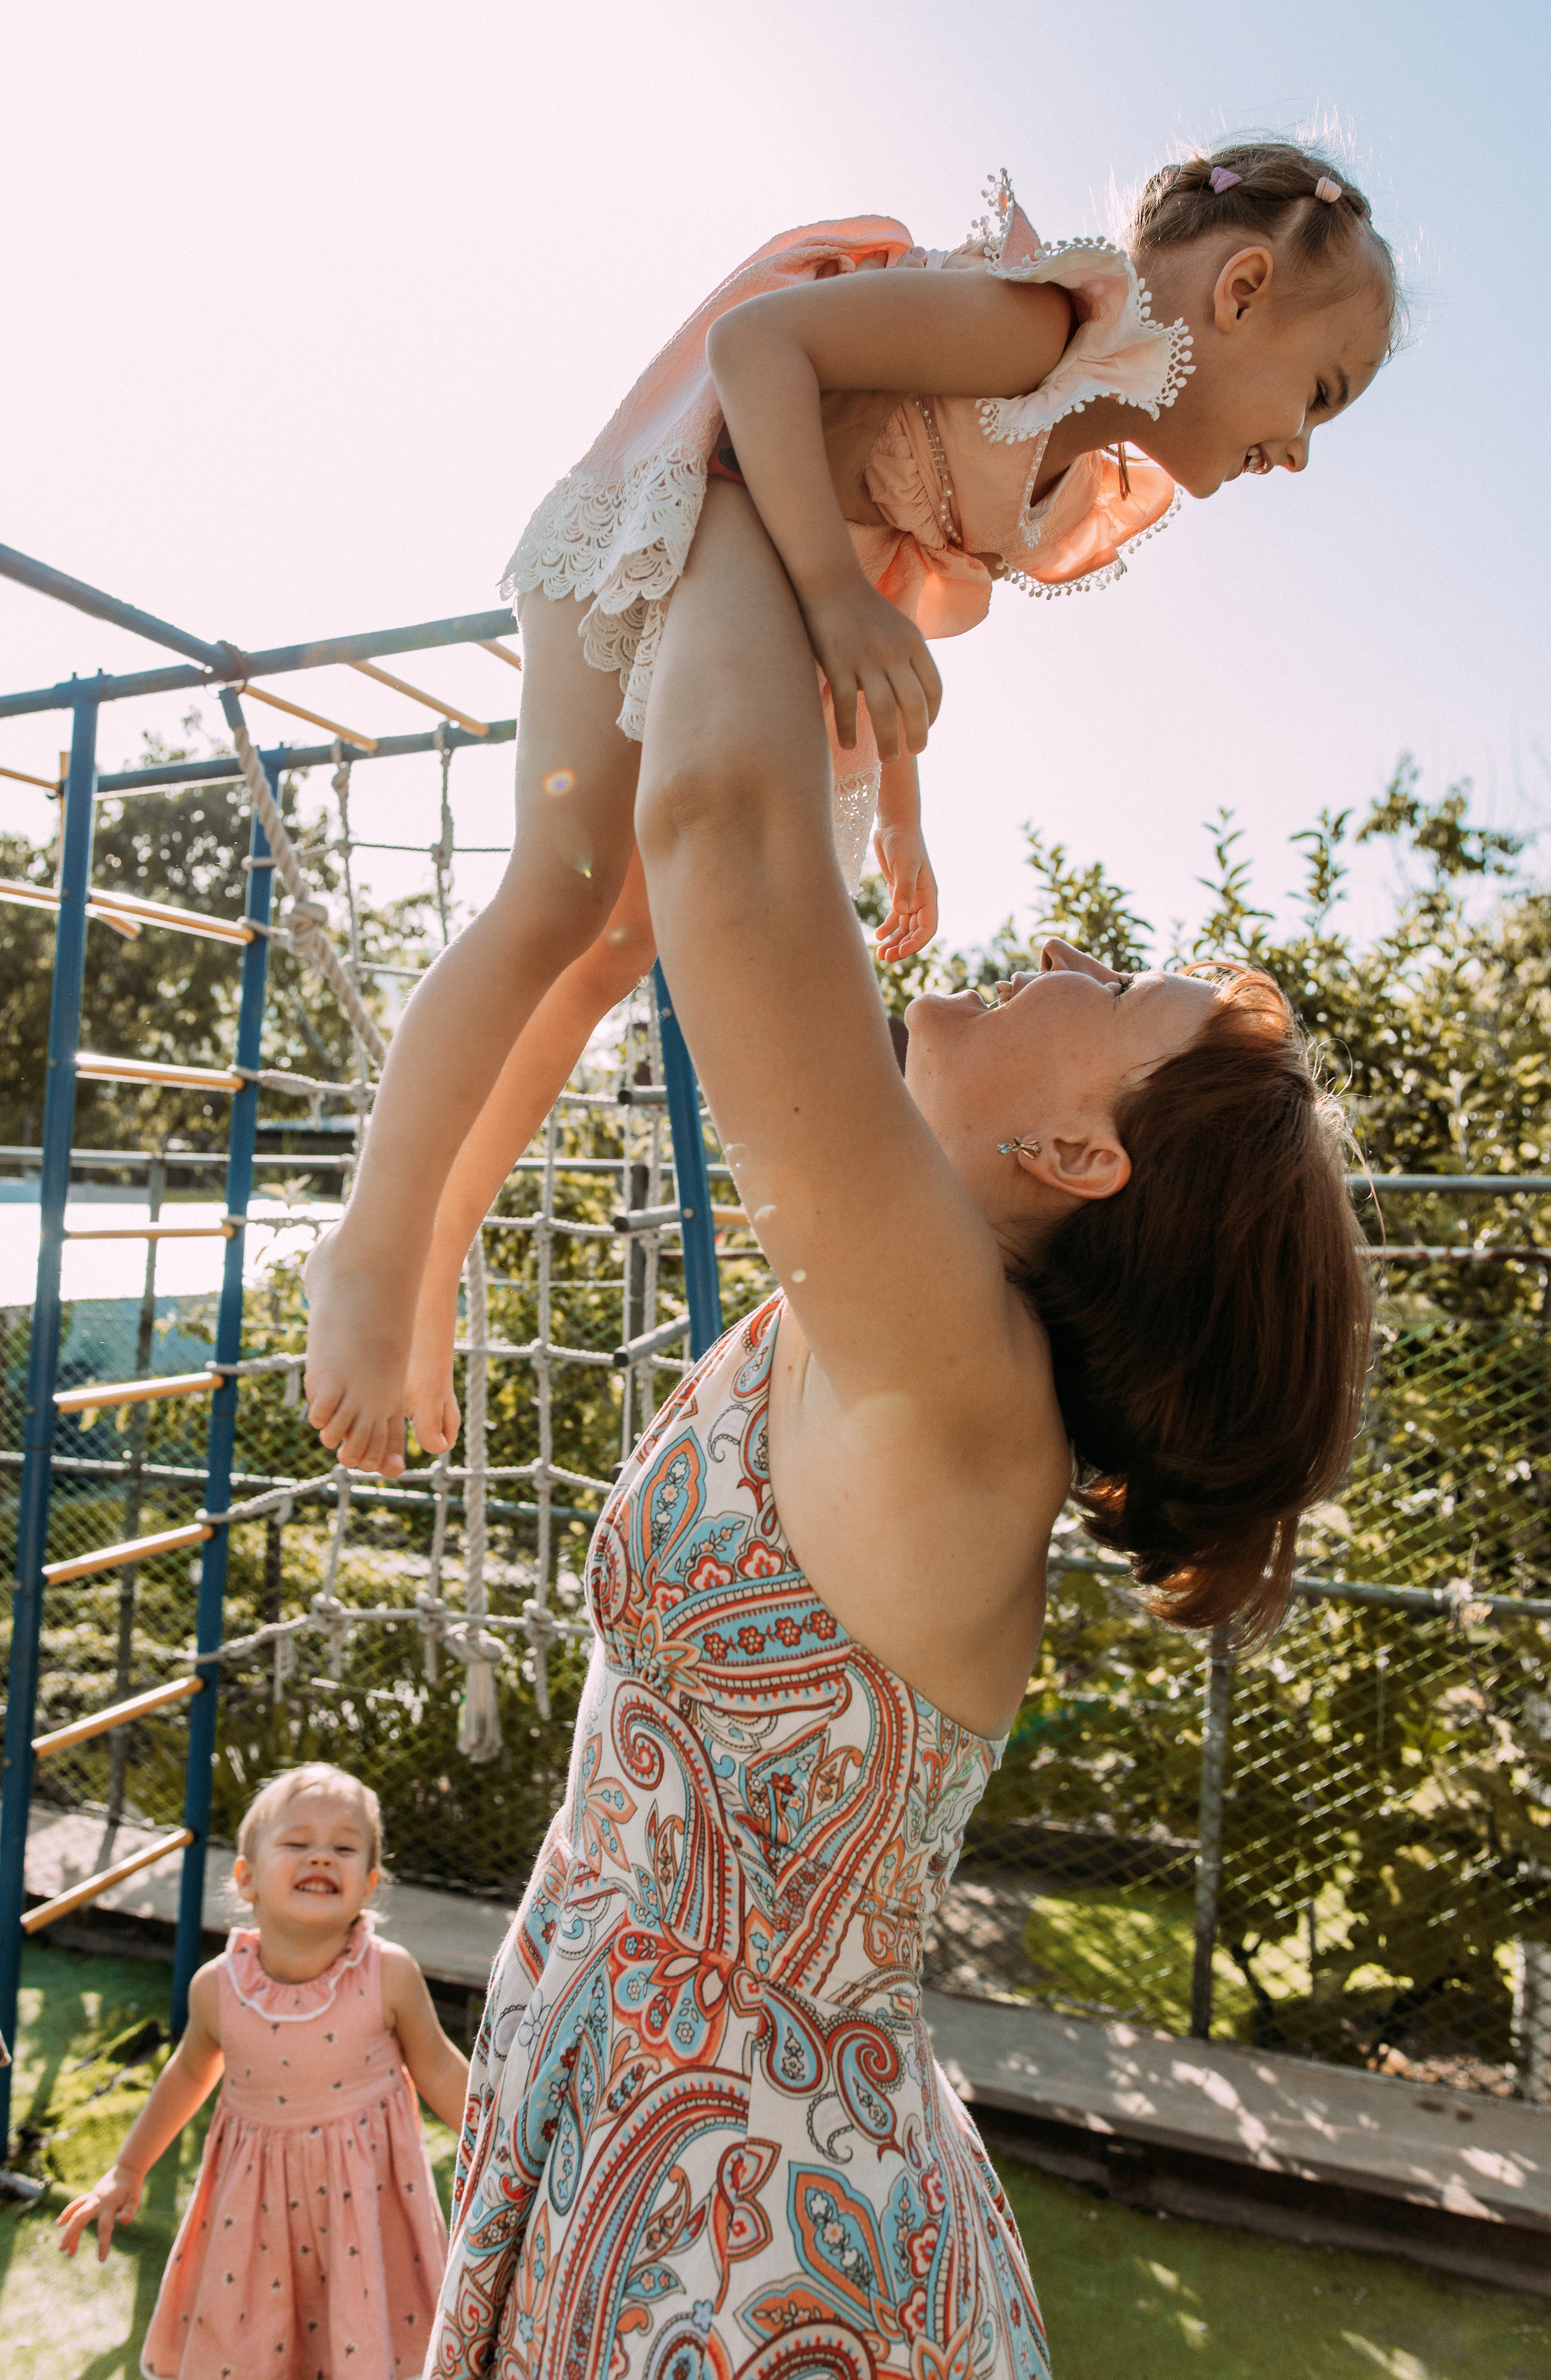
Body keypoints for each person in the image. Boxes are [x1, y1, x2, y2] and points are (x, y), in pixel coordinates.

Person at [421, 229, 1379, 2380]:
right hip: (692, 2165)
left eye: (1100, 992)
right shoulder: (917, 1332)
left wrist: (794, 486)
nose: (1050, 960)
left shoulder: (953, 1373)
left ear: (1086, 1154)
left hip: (745, 2255)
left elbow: (732, 841)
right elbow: (770, 855)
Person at [302, 137, 1400, 1481]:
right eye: (1320, 393)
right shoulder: (1039, 323)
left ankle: (430, 1259)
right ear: (1237, 293)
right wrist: (823, 599)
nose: (1297, 449)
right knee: (558, 896)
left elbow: (891, 555)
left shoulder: (1065, 454)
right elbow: (761, 351)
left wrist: (899, 805)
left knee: (604, 957)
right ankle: (372, 1243)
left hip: (758, 578)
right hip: (667, 509)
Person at [57, 1763, 469, 2380]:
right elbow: (188, 2074)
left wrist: (510, 2144)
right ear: (246, 1880)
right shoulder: (218, 1990)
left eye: (344, 1847)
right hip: (255, 2215)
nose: (322, 1857)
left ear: (369, 1885)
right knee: (252, 2342)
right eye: (298, 1843)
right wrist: (127, 2168)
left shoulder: (389, 1974)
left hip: (366, 2205)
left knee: (361, 2338)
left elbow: (436, 2067)